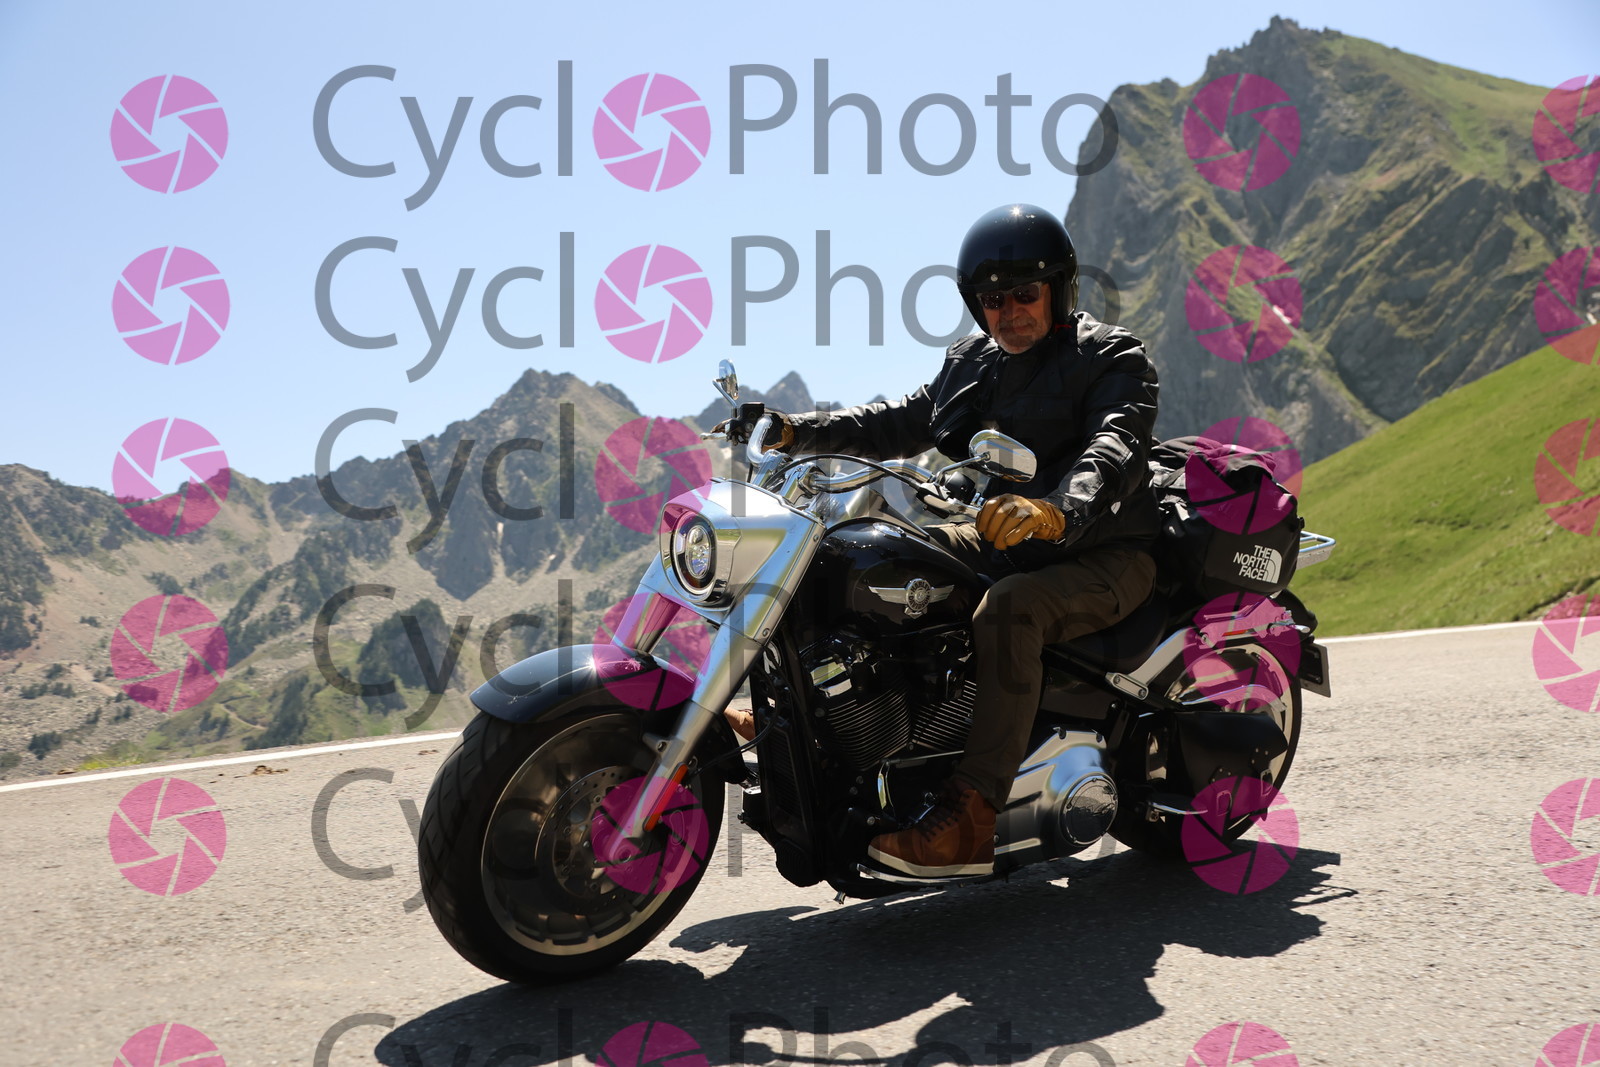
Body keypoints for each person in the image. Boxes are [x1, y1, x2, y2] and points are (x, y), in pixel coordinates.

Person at [743, 203, 1161, 878]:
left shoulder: (1110, 355)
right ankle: (807, 720)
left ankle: (973, 815)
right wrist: (798, 432)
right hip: (1006, 535)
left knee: (1010, 609)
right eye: (994, 299)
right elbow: (895, 422)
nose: (1010, 311)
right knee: (870, 561)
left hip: (1108, 549)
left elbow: (1116, 446)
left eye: (1025, 293)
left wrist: (1057, 510)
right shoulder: (974, 363)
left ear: (1058, 288)